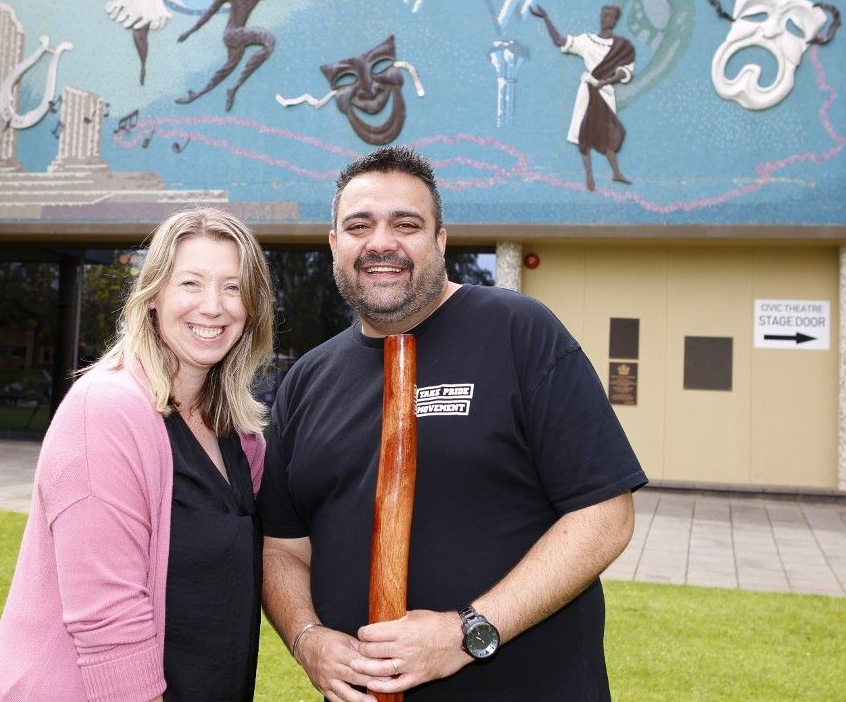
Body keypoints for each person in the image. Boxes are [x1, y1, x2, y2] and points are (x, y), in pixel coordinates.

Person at [258, 146, 646, 701]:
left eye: (406, 224)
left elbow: (604, 515)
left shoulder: (519, 332)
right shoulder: (306, 380)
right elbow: (282, 548)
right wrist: (306, 637)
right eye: (359, 225)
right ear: (334, 243)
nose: (381, 243)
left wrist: (466, 632)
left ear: (440, 240)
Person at [0, 207, 275, 702]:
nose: (214, 306)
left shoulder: (239, 436)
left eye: (233, 287)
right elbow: (106, 614)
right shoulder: (106, 411)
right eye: (191, 284)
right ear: (153, 296)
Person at [176, 0, 313, 111]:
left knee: (226, 69)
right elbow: (210, 11)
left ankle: (213, 92)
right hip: (232, 33)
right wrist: (190, 31)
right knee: (268, 39)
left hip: (239, 36)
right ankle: (229, 88)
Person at [530, 4, 635, 192]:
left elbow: (625, 70)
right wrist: (545, 17)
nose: (605, 18)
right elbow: (561, 41)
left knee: (609, 133)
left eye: (609, 16)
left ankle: (616, 173)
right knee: (583, 132)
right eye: (603, 15)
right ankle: (588, 176)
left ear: (615, 20)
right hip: (588, 91)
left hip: (605, 92)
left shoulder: (622, 46)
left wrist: (606, 81)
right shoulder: (587, 40)